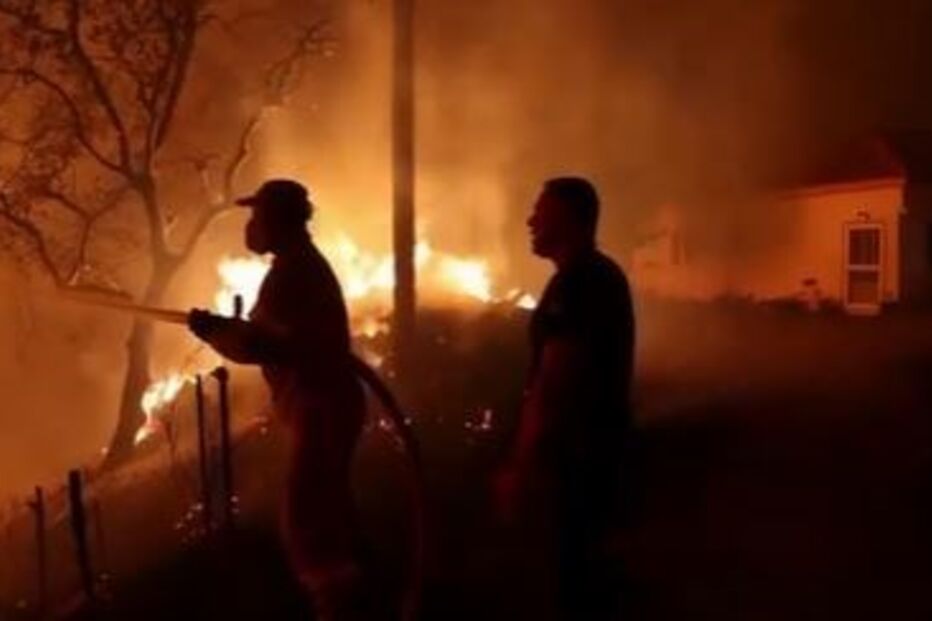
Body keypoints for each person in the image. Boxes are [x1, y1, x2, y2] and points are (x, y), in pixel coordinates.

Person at [187, 179, 368, 621]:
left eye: (257, 216)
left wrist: (214, 333)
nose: (251, 226)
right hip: (323, 403)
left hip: (320, 405)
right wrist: (221, 328)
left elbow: (261, 345)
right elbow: (265, 335)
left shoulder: (293, 273)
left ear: (277, 220)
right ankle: (357, 599)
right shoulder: (297, 266)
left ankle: (340, 608)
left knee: (307, 519)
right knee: (326, 513)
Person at [495, 176, 635, 620]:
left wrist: (521, 467)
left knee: (571, 582)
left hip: (576, 462)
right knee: (581, 577)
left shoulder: (581, 284)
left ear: (569, 219)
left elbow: (554, 384)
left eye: (541, 211)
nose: (530, 220)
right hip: (591, 458)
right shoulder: (589, 277)